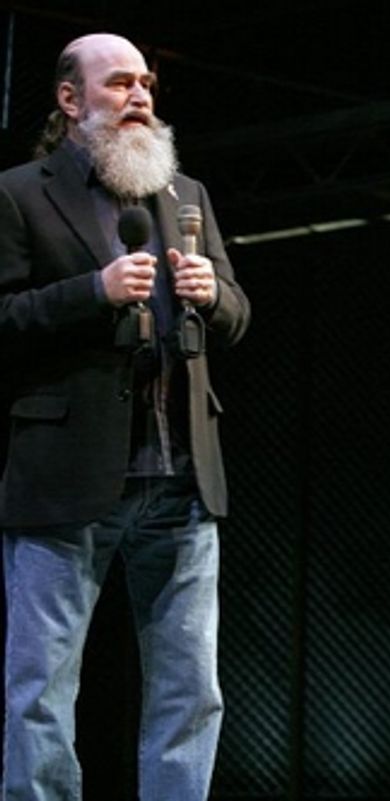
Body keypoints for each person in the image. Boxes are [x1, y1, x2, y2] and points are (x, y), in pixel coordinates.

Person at [0, 33, 250, 800]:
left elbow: (237, 317)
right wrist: (92, 292)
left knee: (190, 689)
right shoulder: (19, 192)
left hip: (180, 479)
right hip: (68, 478)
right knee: (40, 689)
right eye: (118, 84)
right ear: (70, 101)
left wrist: (216, 295)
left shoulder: (186, 196)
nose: (139, 96)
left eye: (145, 83)